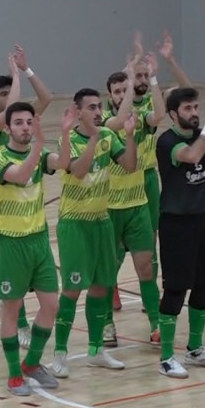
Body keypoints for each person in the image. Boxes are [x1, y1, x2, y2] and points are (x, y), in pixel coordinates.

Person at [49, 88, 138, 378]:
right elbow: (78, 170)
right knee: (72, 290)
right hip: (74, 223)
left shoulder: (108, 136)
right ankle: (59, 353)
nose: (99, 112)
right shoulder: (68, 140)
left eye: (100, 107)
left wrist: (129, 136)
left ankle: (96, 349)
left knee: (101, 287)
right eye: (92, 108)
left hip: (102, 221)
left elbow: (130, 165)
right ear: (78, 112)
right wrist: (95, 141)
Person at [0, 101, 74, 395]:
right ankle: (14, 374)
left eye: (28, 122)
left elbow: (63, 163)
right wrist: (38, 145)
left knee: (51, 305)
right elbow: (22, 175)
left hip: (38, 240)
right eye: (19, 123)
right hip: (11, 241)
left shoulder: (40, 152)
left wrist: (65, 133)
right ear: (7, 128)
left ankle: (32, 363)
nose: (25, 127)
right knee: (11, 310)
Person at [153, 88, 205, 377]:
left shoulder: (203, 133)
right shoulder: (167, 141)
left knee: (204, 286)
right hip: (176, 225)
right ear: (173, 114)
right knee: (176, 290)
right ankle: (166, 357)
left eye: (195, 107)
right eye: (187, 108)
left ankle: (195, 348)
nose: (194, 113)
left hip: (201, 221)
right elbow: (191, 155)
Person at [0, 46, 53, 347]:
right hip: (6, 204)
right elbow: (13, 107)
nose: (10, 94)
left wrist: (27, 70)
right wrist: (15, 76)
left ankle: (7, 305)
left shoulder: (21, 121)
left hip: (30, 203)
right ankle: (18, 323)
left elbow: (46, 99)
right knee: (13, 277)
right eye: (3, 92)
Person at [101, 54, 164, 347]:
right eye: (117, 91)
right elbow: (117, 121)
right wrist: (129, 82)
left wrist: (152, 77)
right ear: (110, 96)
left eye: (124, 90)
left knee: (146, 267)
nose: (122, 94)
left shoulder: (138, 119)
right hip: (110, 208)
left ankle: (156, 323)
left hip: (137, 204)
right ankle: (106, 324)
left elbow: (159, 114)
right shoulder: (104, 121)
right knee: (107, 271)